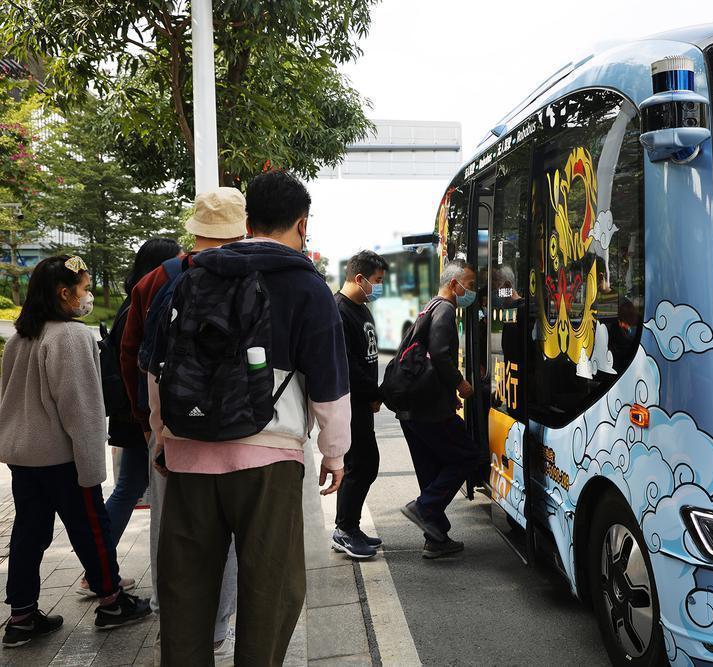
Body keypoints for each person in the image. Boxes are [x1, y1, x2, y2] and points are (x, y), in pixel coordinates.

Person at [153, 170, 351, 665]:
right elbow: (330, 385)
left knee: (186, 593)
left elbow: (158, 369)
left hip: (190, 452)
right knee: (271, 590)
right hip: (269, 458)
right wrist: (335, 454)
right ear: (302, 224)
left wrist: (163, 436)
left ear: (247, 220)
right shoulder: (308, 288)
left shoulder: (188, 276)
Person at [119, 189, 246, 662]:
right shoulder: (255, 274)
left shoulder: (158, 279)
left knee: (170, 528)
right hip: (240, 429)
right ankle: (218, 625)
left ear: (193, 230)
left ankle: (171, 616)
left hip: (171, 429)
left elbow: (133, 353)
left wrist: (148, 426)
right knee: (229, 533)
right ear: (241, 229)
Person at [0, 256, 152, 648]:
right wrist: (91, 469)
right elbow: (82, 409)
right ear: (64, 294)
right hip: (61, 457)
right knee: (92, 529)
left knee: (28, 533)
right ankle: (112, 601)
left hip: (23, 455)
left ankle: (21, 615)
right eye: (84, 290)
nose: (86, 297)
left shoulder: (20, 338)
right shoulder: (71, 337)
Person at [77, 237, 182, 598]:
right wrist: (145, 418)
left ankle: (97, 570)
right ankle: (97, 571)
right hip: (136, 415)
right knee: (128, 490)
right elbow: (134, 365)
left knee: (131, 488)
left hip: (132, 414)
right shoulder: (143, 302)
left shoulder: (133, 300)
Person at [398, 259, 479, 559]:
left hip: (414, 408)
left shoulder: (430, 307)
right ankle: (423, 507)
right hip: (428, 409)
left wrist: (447, 394)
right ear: (454, 283)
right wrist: (460, 384)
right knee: (467, 455)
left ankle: (436, 538)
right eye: (469, 285)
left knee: (431, 472)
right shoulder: (445, 309)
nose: (470, 291)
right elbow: (440, 355)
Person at [332, 250, 388, 559]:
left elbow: (368, 359)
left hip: (363, 402)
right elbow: (347, 366)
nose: (378, 287)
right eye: (377, 281)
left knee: (365, 463)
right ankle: (344, 529)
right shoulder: (339, 311)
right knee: (361, 464)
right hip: (348, 403)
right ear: (359, 278)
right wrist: (374, 392)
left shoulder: (361, 309)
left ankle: (349, 526)